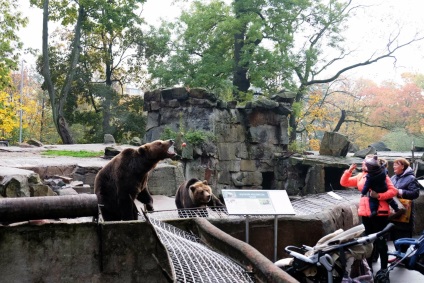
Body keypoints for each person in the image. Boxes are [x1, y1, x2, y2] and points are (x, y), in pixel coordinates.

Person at [340, 156, 398, 273]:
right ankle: (369, 269)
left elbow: (393, 191)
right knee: (368, 243)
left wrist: (379, 196)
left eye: (365, 162)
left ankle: (383, 269)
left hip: (380, 213)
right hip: (366, 213)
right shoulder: (361, 176)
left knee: (381, 242)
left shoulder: (382, 175)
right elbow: (344, 183)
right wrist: (349, 171)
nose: (363, 163)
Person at [390, 158, 420, 240]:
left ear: (402, 166)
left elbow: (415, 193)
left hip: (406, 211)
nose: (393, 166)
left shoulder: (411, 178)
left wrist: (400, 191)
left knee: (403, 234)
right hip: (394, 209)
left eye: (396, 164)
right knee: (394, 233)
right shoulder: (393, 177)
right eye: (393, 165)